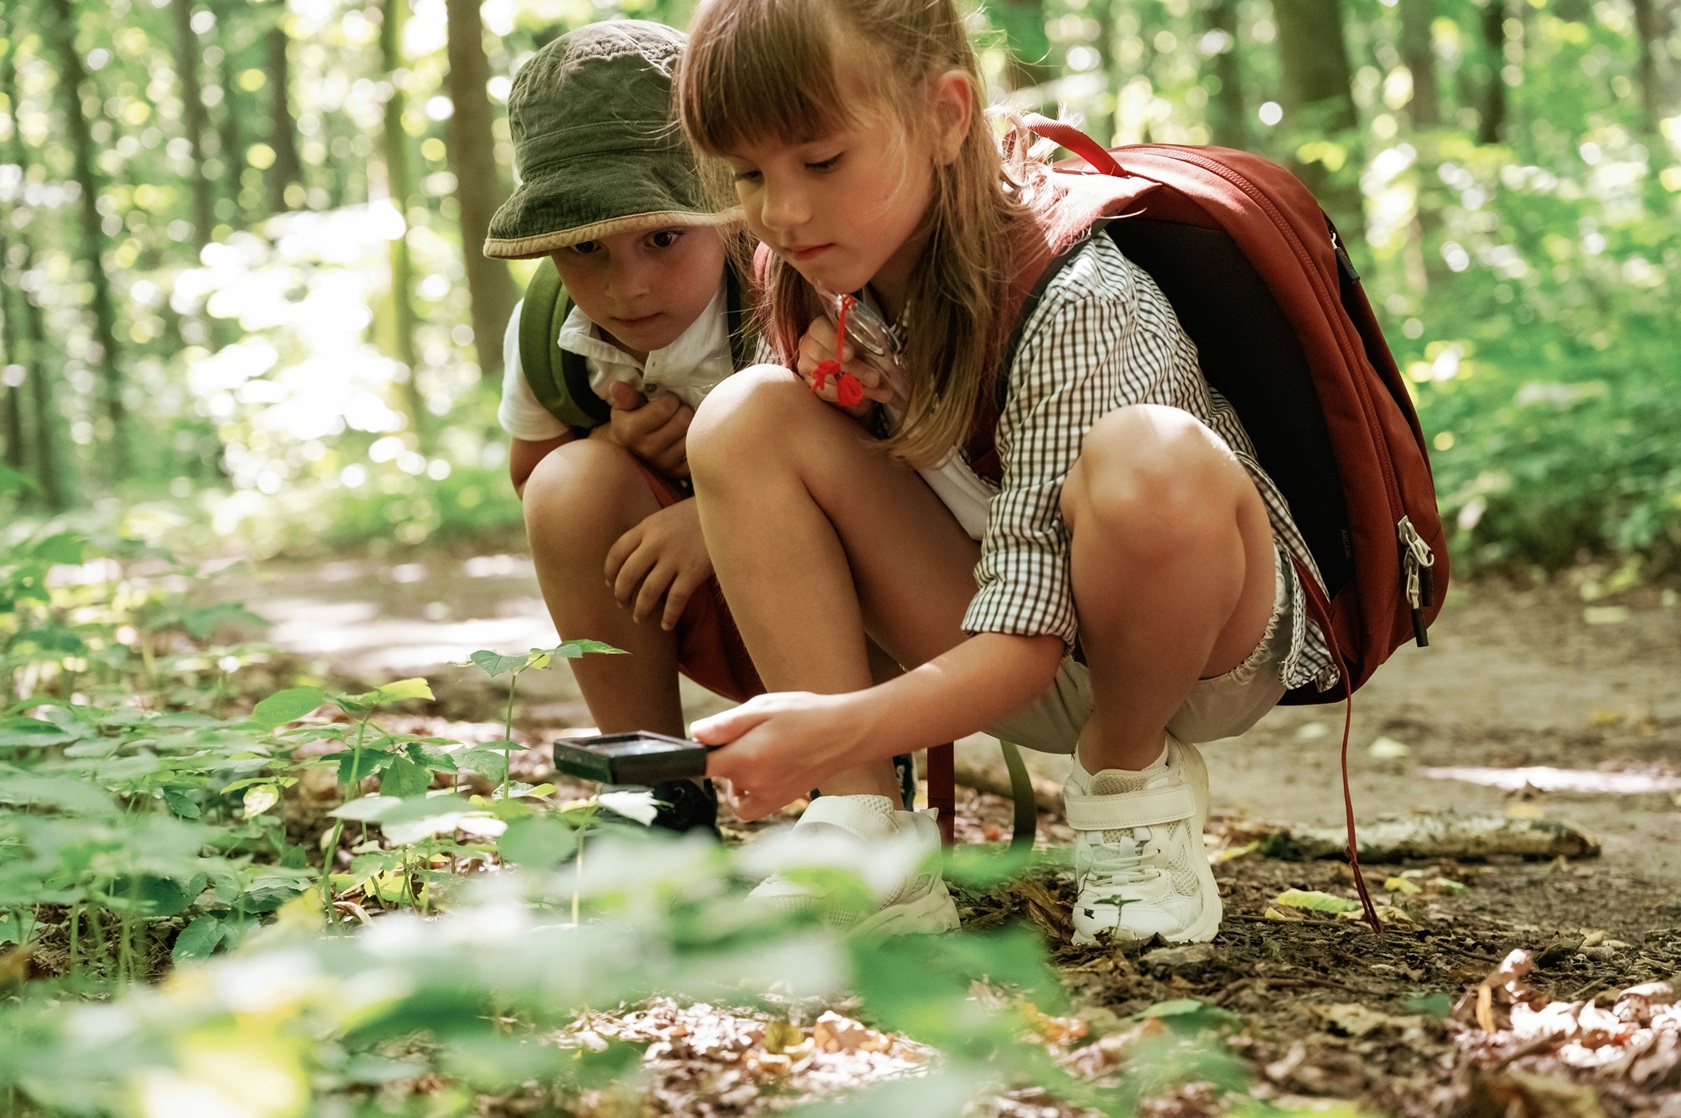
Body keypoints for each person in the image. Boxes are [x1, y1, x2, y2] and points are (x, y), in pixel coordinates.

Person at [674, 0, 1339, 941]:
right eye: (748, 173)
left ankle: (1128, 780)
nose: (781, 210)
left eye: (821, 161)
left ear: (946, 116)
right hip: (1002, 636)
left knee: (1150, 456)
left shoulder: (1077, 294)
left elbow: (1029, 635)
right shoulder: (814, 271)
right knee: (742, 418)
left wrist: (844, 723)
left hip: (1197, 643)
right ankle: (864, 833)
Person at [482, 19, 759, 833]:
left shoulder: (796, 290)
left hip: (860, 618)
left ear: (722, 207)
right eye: (586, 247)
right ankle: (655, 792)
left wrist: (721, 513)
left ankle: (851, 789)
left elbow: (905, 470)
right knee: (573, 479)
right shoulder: (550, 336)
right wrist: (612, 445)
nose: (626, 286)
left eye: (663, 237)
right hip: (688, 611)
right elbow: (535, 483)